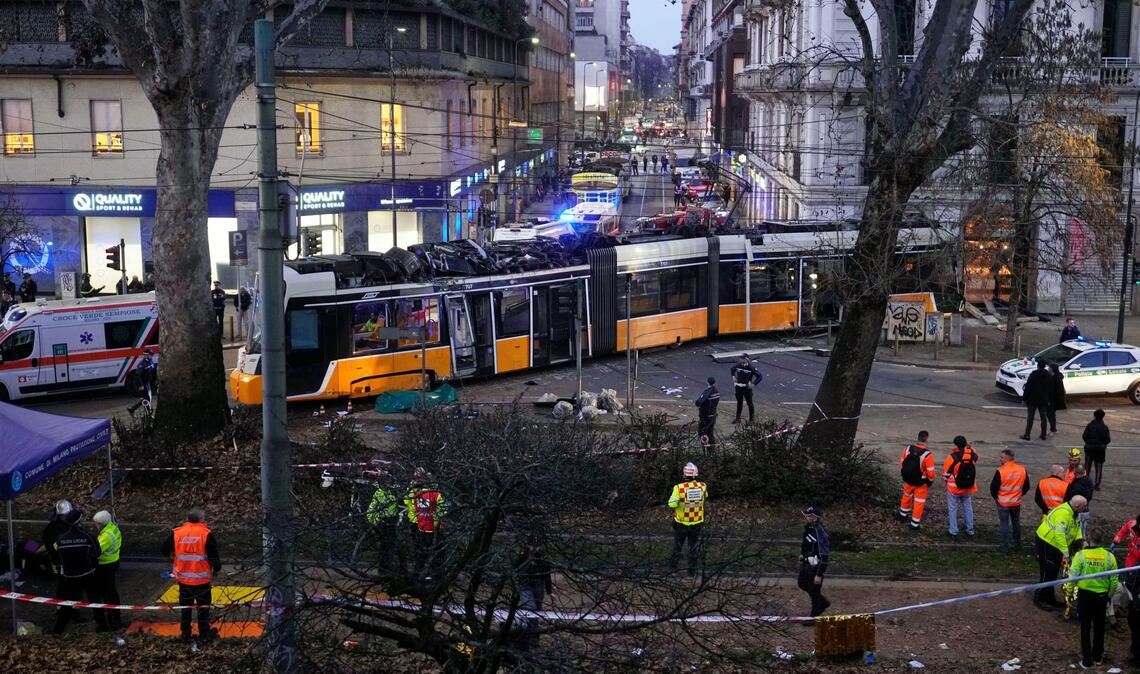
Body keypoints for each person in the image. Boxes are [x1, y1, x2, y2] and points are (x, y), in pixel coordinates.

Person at [161, 508, 221, 640]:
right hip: (202, 580)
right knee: (203, 609)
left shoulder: (177, 533)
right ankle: (204, 634)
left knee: (185, 608)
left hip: (183, 579)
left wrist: (173, 556)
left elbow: (163, 549)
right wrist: (216, 569)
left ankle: (185, 633)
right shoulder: (206, 534)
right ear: (200, 519)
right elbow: (214, 557)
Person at [1067, 529, 1118, 668]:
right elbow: (1114, 580)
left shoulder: (1080, 556)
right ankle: (1097, 657)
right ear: (1102, 540)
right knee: (1099, 628)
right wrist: (1109, 595)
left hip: (1085, 597)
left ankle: (1086, 660)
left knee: (1085, 628)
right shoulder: (1109, 557)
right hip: (1101, 597)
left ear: (1088, 540)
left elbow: (1073, 577)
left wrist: (1070, 593)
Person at [52, 508, 108, 635]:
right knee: (96, 601)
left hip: (70, 577)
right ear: (80, 521)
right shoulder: (88, 537)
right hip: (88, 575)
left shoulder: (61, 539)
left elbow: (57, 555)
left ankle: (58, 631)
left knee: (68, 604)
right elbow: (97, 553)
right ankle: (103, 626)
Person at [1034, 495, 1088, 609]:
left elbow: (1076, 528)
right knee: (1047, 570)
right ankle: (1039, 598)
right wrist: (1066, 554)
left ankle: (1049, 597)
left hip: (1056, 545)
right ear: (1078, 506)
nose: (1086, 508)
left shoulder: (1074, 512)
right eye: (1085, 506)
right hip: (1047, 542)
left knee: (1053, 571)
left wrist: (1081, 543)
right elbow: (1059, 535)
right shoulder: (1063, 514)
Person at [667, 462, 707, 576]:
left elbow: (672, 504)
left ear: (684, 475)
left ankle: (672, 570)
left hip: (681, 523)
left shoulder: (679, 488)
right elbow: (705, 497)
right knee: (693, 548)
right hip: (697, 523)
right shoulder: (703, 486)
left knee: (677, 547)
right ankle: (691, 572)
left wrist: (679, 501)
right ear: (696, 474)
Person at [514, 540, 554, 652]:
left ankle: (534, 638)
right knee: (531, 609)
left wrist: (549, 591)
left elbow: (547, 574)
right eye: (532, 545)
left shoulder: (542, 559)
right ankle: (529, 637)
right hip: (525, 586)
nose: (534, 547)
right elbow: (515, 569)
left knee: (536, 612)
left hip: (538, 586)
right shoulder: (522, 557)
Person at [405, 468, 444, 580]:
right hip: (434, 527)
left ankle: (418, 573)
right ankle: (435, 574)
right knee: (436, 552)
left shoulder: (417, 493)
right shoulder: (435, 494)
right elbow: (443, 510)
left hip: (420, 525)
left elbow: (409, 502)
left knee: (421, 552)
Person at [990, 449, 1029, 550]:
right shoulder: (1022, 469)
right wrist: (1018, 494)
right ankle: (1017, 543)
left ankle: (1004, 545)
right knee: (1016, 523)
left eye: (1002, 457)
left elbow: (993, 488)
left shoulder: (1001, 471)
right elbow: (1027, 486)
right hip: (1016, 502)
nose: (1000, 459)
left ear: (1007, 458)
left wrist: (997, 498)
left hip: (1003, 503)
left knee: (1004, 524)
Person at [798, 506, 831, 624]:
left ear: (814, 518)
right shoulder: (808, 529)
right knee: (802, 583)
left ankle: (814, 615)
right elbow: (806, 544)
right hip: (806, 564)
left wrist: (819, 573)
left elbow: (824, 555)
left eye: (807, 516)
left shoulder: (820, 533)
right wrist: (803, 554)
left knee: (814, 590)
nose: (805, 518)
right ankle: (822, 602)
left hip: (815, 566)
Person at [942, 436, 979, 540]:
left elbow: (945, 474)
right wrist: (969, 448)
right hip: (968, 487)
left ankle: (953, 531)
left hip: (954, 488)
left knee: (953, 508)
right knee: (968, 507)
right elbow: (976, 455)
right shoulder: (972, 455)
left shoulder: (952, 457)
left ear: (955, 445)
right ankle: (970, 530)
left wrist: (947, 482)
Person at [92, 510, 123, 633]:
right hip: (114, 561)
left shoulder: (105, 537)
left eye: (96, 523)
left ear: (100, 524)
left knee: (106, 593)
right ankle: (115, 617)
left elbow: (96, 551)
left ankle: (113, 620)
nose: (95, 526)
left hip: (105, 565)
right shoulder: (113, 527)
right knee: (112, 592)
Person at [898, 430, 935, 530]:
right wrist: (930, 481)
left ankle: (902, 515)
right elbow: (930, 472)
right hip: (921, 483)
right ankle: (914, 523)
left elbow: (902, 463)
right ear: (926, 439)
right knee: (919, 501)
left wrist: (905, 474)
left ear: (917, 437)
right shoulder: (927, 454)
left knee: (906, 496)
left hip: (908, 479)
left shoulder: (908, 448)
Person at [366, 476, 402, 572]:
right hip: (383, 522)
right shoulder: (380, 493)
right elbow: (372, 510)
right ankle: (383, 568)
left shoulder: (393, 493)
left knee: (391, 546)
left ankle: (388, 567)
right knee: (385, 547)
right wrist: (377, 522)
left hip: (391, 522)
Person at [1021, 360, 1052, 441]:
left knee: (1030, 418)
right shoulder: (1048, 375)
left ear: (1037, 365)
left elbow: (1028, 387)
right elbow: (1051, 389)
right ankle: (1043, 435)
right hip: (1043, 400)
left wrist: (1024, 399)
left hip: (1032, 399)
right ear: (1045, 366)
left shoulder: (1033, 374)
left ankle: (1027, 435)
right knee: (1043, 418)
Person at [42, 500, 75, 576]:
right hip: (59, 558)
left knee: (31, 546)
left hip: (59, 560)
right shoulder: (71, 525)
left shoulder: (53, 527)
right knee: (30, 546)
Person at [729, 354, 762, 424]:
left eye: (741, 358)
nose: (739, 359)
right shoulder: (738, 365)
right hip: (738, 387)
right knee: (739, 402)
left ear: (746, 359)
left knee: (749, 403)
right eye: (740, 358)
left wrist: (753, 384)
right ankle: (738, 418)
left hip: (747, 388)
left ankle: (751, 420)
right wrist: (733, 376)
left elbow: (759, 376)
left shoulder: (751, 368)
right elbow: (732, 369)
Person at [1082, 409, 1110, 490]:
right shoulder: (1104, 427)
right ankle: (1097, 484)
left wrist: (1088, 443)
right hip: (1100, 450)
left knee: (1087, 467)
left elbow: (1084, 436)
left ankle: (1085, 482)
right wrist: (1103, 445)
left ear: (1094, 416)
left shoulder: (1089, 426)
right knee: (1098, 467)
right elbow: (1108, 439)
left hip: (1090, 449)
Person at [1064, 465, 1095, 539]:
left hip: (1077, 513)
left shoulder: (1074, 485)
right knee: (1083, 533)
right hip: (1086, 511)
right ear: (1084, 472)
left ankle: (1078, 549)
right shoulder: (1089, 481)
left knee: (1076, 535)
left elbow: (1068, 498)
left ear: (1075, 473)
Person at [126, 349, 158, 416]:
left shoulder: (150, 361)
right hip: (141, 383)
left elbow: (152, 371)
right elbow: (137, 375)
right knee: (147, 399)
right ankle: (148, 413)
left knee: (147, 398)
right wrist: (141, 385)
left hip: (147, 382)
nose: (150, 356)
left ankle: (132, 409)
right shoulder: (142, 363)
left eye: (151, 355)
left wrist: (155, 380)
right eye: (149, 355)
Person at [694, 377, 721, 452]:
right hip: (713, 414)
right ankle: (712, 450)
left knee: (703, 433)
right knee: (710, 432)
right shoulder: (717, 392)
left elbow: (699, 402)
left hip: (705, 416)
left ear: (707, 382)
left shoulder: (707, 392)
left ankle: (705, 450)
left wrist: (699, 404)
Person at [1046, 363, 1066, 434]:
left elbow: (1056, 390)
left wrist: (1050, 399)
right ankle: (1053, 427)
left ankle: (1053, 428)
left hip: (1053, 400)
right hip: (1053, 399)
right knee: (1051, 414)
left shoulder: (1055, 378)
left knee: (1050, 414)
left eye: (1049, 368)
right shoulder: (1055, 377)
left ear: (1052, 369)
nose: (1048, 369)